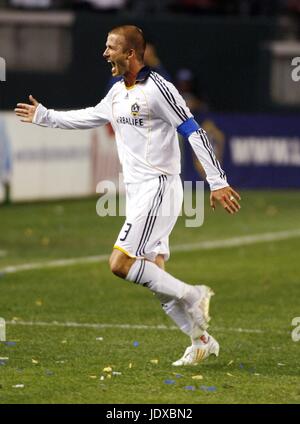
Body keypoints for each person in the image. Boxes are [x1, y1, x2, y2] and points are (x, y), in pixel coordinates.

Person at [14, 25, 241, 366]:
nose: (105, 53)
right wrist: (46, 117)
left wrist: (216, 180)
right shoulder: (118, 91)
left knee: (120, 263)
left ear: (130, 53)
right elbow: (91, 116)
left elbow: (194, 131)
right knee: (156, 276)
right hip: (139, 193)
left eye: (111, 48)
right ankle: (201, 341)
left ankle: (194, 294)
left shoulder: (160, 90)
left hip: (159, 187)